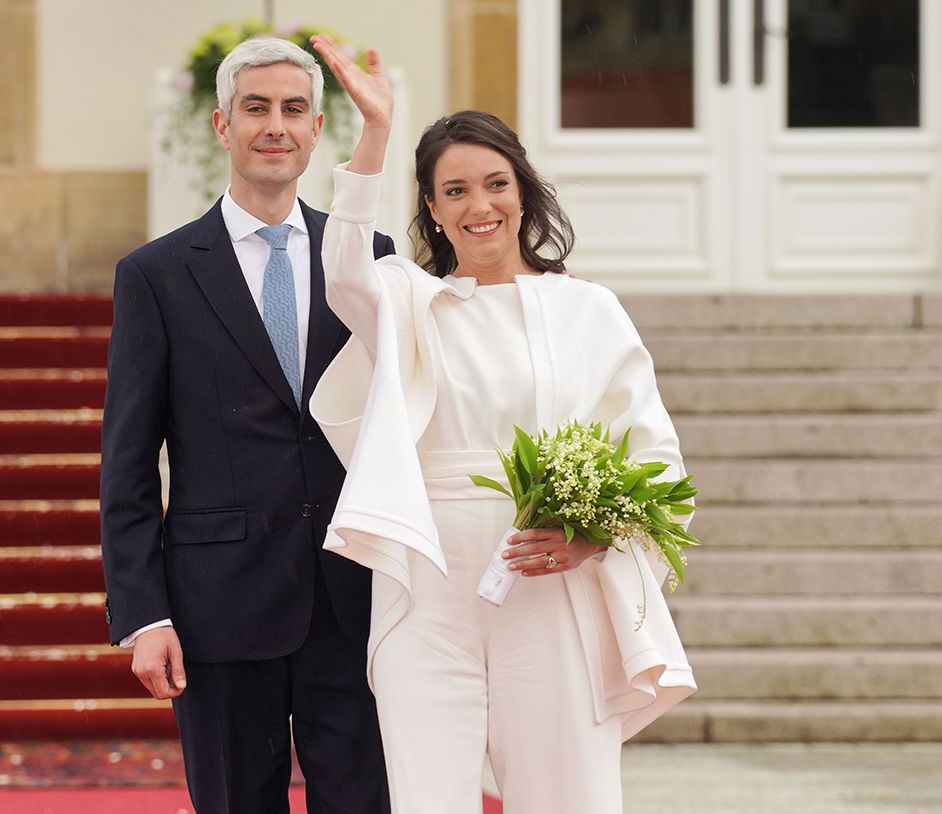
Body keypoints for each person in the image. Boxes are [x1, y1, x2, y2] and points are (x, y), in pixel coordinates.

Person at [308, 34, 696, 812]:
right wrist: (375, 133)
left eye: (494, 183)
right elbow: (342, 271)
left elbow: (654, 458)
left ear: (523, 188)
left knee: (567, 793)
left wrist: (593, 538)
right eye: (454, 191)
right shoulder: (408, 299)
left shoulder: (589, 308)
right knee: (427, 794)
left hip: (549, 588)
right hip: (427, 587)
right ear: (431, 206)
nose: (479, 206)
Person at [100, 36, 393, 814]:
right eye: (256, 108)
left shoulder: (368, 257)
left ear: (317, 127)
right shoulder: (156, 275)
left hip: (353, 597)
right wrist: (144, 613)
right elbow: (127, 461)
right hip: (217, 610)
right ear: (222, 126)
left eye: (293, 109)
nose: (276, 126)